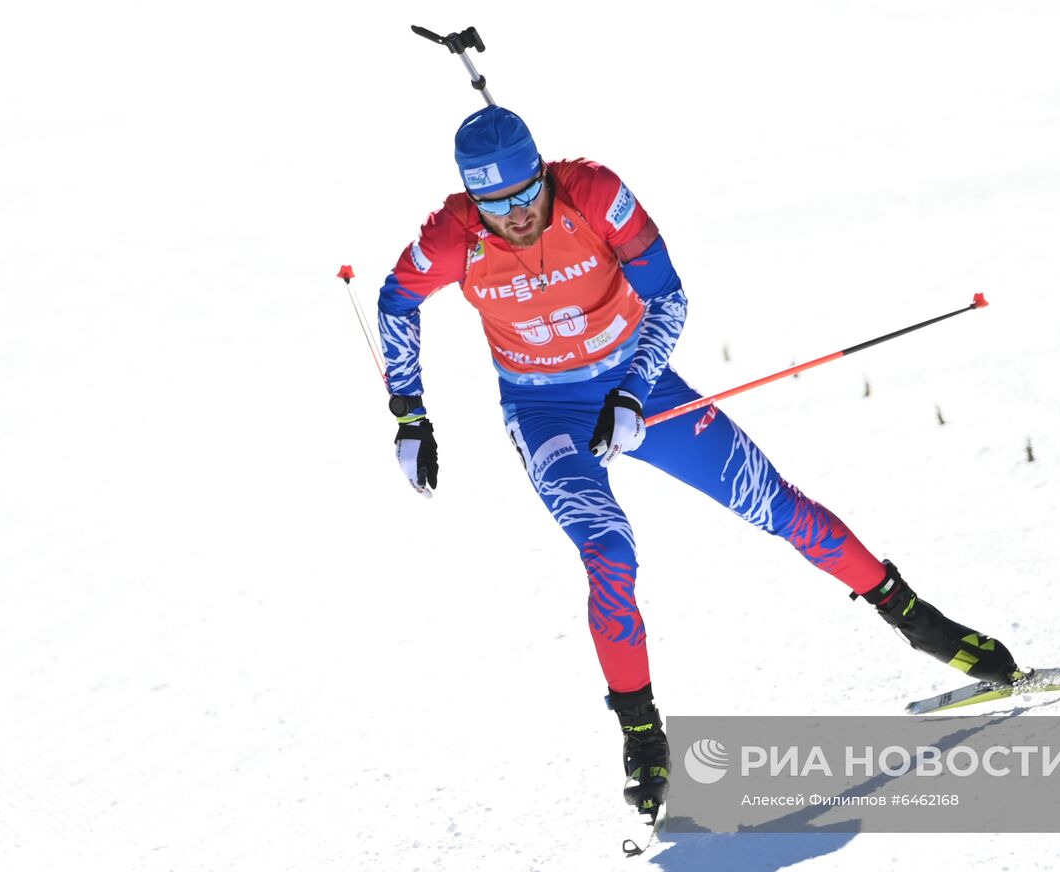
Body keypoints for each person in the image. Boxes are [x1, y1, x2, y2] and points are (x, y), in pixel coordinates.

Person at [376, 105, 1020, 818]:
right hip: (544, 412)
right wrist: (410, 414)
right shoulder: (451, 236)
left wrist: (632, 390)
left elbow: (668, 297)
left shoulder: (593, 193)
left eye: (528, 194)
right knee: (608, 552)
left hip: (642, 386)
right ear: (472, 198)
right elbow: (396, 302)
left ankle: (921, 623)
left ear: (543, 174)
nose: (518, 215)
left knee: (777, 505)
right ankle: (642, 734)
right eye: (496, 205)